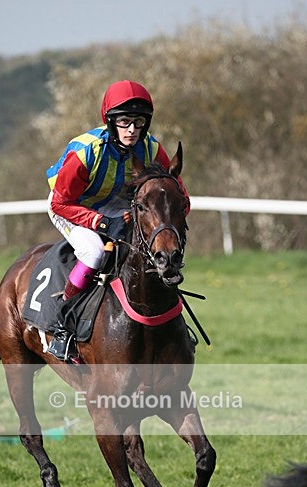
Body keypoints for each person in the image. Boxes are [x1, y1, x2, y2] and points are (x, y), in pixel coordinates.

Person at [45, 79, 190, 360]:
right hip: (70, 205)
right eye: (124, 122)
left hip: (117, 206)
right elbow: (60, 202)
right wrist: (101, 223)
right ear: (111, 122)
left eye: (138, 122)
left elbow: (178, 195)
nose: (132, 130)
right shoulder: (87, 153)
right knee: (95, 251)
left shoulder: (150, 148)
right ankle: (64, 324)